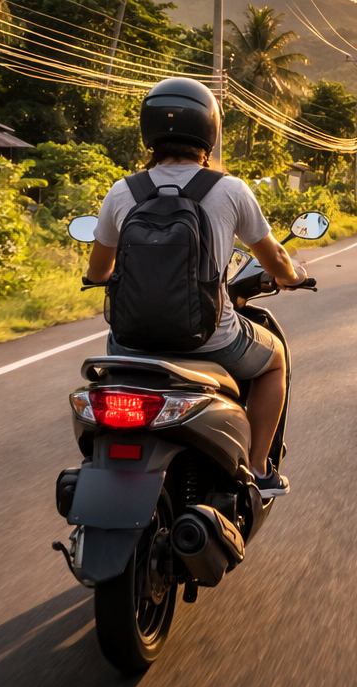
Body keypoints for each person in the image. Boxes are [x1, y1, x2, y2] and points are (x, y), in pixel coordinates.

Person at [83, 78, 306, 497]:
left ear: (149, 131)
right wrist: (290, 277)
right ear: (209, 131)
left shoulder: (122, 191)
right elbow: (274, 256)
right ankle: (259, 468)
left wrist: (99, 277)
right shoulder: (230, 189)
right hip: (212, 340)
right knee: (275, 358)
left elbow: (98, 271)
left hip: (130, 344)